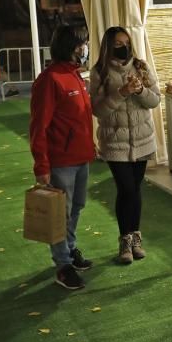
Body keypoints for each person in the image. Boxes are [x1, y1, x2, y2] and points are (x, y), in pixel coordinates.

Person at [28, 25, 95, 290]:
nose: (85, 48)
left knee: (76, 207)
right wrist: (41, 165)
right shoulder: (50, 79)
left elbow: (79, 119)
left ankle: (69, 248)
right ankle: (62, 265)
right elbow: (38, 126)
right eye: (82, 44)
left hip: (81, 157)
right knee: (60, 214)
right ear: (70, 46)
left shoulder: (76, 76)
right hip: (61, 161)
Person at [90, 27, 161, 264]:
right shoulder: (99, 71)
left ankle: (135, 238)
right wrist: (121, 92)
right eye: (119, 43)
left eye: (127, 42)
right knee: (126, 189)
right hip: (114, 142)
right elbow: (97, 109)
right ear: (109, 46)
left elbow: (155, 100)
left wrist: (140, 89)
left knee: (136, 190)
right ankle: (125, 240)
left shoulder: (141, 66)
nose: (124, 47)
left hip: (142, 140)